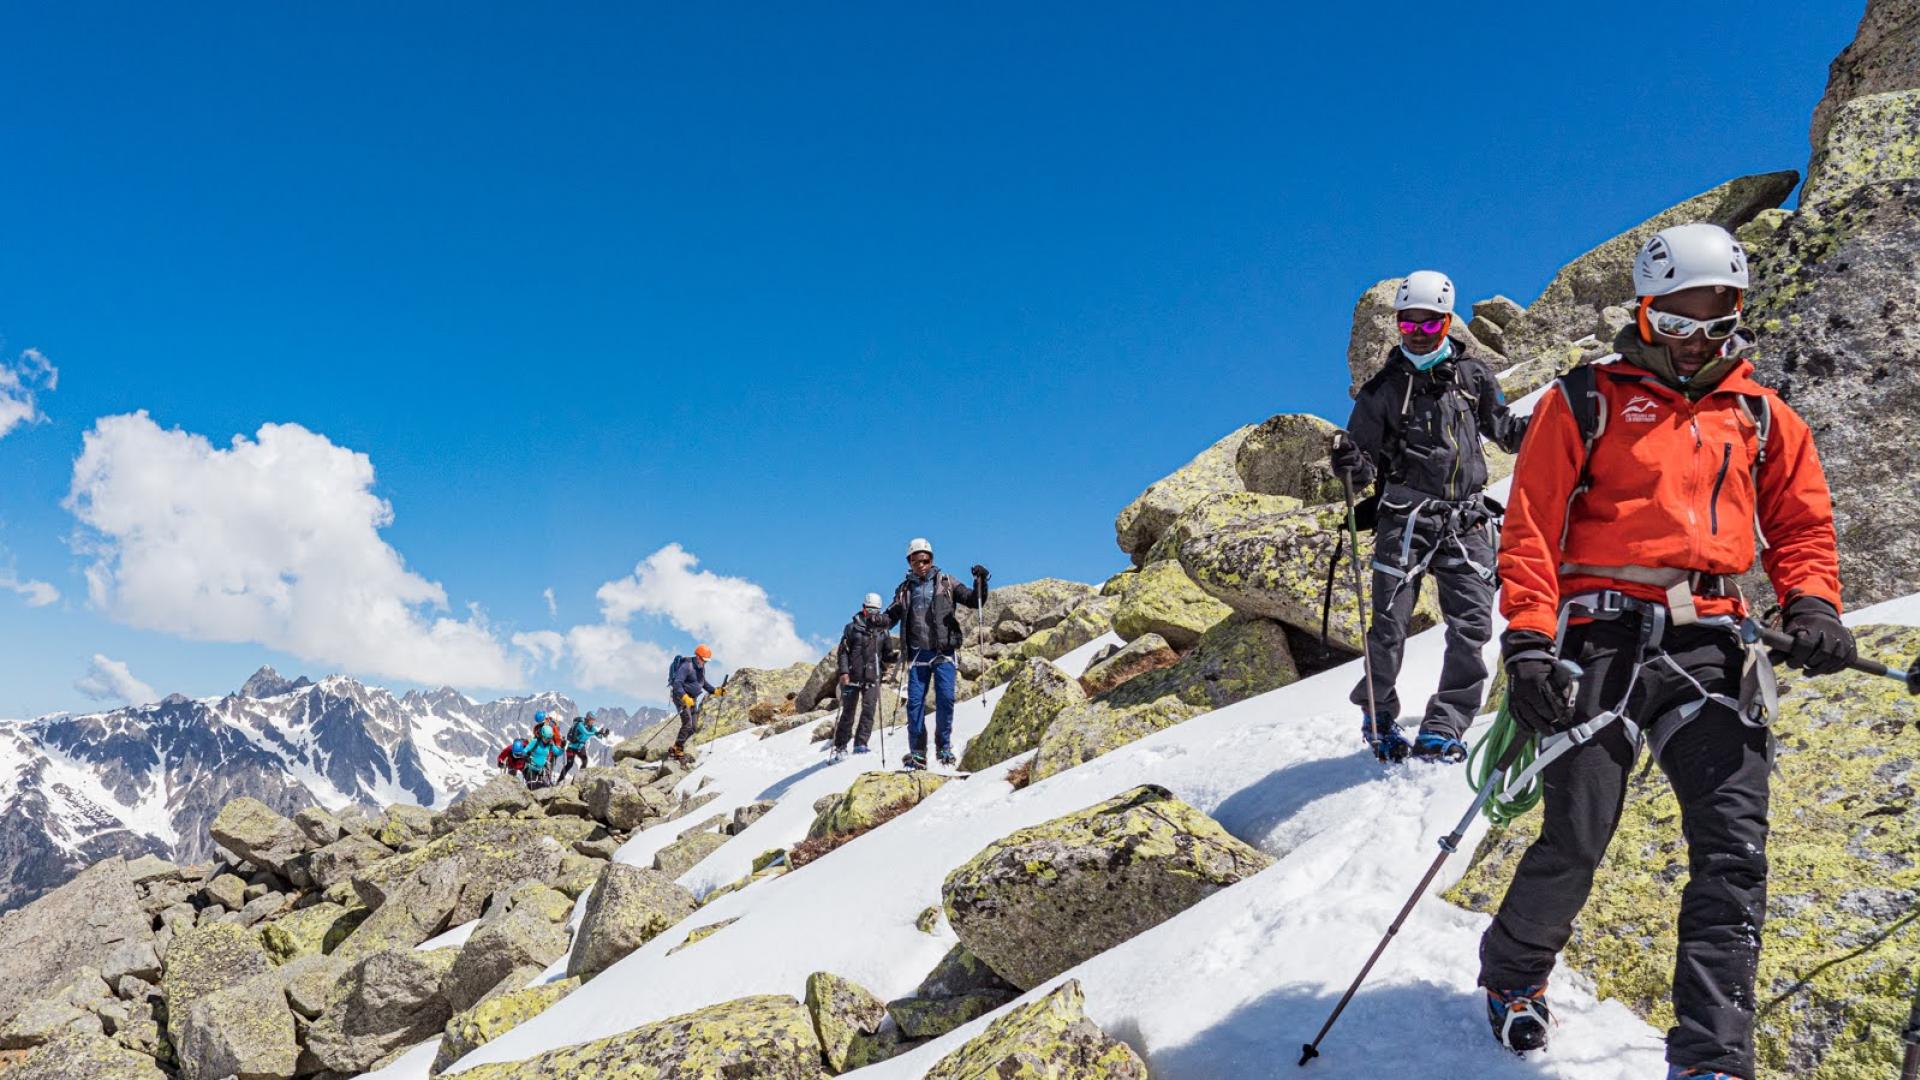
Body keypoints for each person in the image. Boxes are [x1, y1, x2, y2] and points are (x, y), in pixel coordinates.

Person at [1478, 223, 1849, 1080]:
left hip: (1712, 641)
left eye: (1715, 323)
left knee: (1733, 852)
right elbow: (1530, 528)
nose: (1694, 341)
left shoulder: (1762, 416)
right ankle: (1513, 975)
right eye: (1675, 321)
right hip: (1597, 640)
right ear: (1644, 311)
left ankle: (1712, 1059)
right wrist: (1528, 642)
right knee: (1577, 834)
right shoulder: (1585, 400)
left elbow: (1801, 523)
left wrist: (1813, 603)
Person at [1331, 270, 1529, 764]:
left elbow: (1504, 430)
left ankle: (1445, 726)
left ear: (1447, 323)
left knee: (1472, 626)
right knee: (1388, 627)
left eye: (1429, 324)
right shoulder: (1382, 390)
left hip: (1467, 521)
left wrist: (1555, 427)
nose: (1418, 334)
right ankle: (1378, 716)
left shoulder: (1473, 376)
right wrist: (1351, 463)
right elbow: (1364, 463)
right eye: (1408, 324)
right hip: (1406, 519)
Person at [882, 538, 988, 770]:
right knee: (914, 705)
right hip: (918, 654)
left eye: (925, 560)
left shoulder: (947, 582)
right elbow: (891, 616)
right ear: (909, 562)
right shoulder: (905, 590)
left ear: (931, 560)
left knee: (945, 699)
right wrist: (878, 622)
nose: (921, 565)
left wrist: (980, 581)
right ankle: (917, 753)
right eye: (916, 561)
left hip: (944, 652)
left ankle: (944, 747)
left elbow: (973, 600)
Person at [832, 592, 898, 760]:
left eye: (875, 611)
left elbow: (887, 654)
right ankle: (840, 746)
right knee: (848, 713)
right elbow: (843, 652)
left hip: (872, 677)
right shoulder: (851, 628)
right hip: (852, 677)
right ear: (863, 608)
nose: (872, 614)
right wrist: (844, 672)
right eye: (869, 609)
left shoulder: (883, 631)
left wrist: (898, 656)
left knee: (869, 710)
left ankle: (861, 744)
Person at [668, 644, 725, 762]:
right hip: (681, 698)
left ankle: (676, 746)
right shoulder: (687, 666)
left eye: (706, 661)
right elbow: (677, 683)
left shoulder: (701, 667)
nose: (705, 663)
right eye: (704, 660)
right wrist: (684, 697)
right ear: (698, 656)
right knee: (687, 723)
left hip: (692, 700)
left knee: (693, 728)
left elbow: (702, 683)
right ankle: (678, 750)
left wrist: (715, 691)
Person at [557, 712, 610, 783]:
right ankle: (559, 781)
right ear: (588, 718)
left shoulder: (591, 727)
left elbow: (599, 736)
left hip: (580, 747)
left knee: (585, 761)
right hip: (572, 747)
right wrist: (595, 733)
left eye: (594, 720)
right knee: (569, 764)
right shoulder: (580, 724)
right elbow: (586, 733)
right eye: (592, 719)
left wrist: (604, 735)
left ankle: (576, 780)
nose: (593, 721)